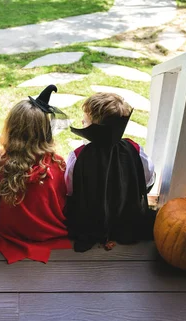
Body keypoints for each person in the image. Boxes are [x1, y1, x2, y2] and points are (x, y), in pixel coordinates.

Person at [0, 85, 71, 264]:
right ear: (45, 132)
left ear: (11, 129)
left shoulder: (0, 162)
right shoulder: (57, 164)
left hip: (8, 230)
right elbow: (63, 201)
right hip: (48, 231)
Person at [65, 92, 156, 252]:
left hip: (90, 218)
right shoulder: (134, 149)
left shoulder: (78, 156)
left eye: (85, 121)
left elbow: (69, 189)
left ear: (95, 129)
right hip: (126, 217)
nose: (81, 122)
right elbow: (148, 179)